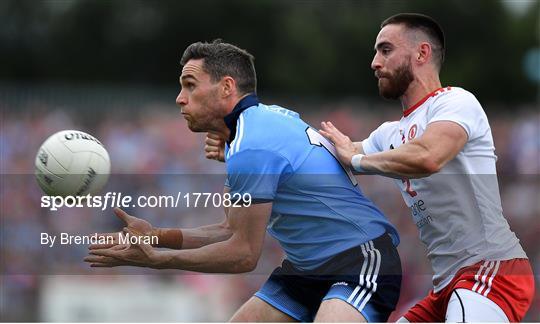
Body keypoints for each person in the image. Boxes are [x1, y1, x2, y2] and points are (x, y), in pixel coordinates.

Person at [84, 40, 402, 322]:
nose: (180, 98)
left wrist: (157, 260)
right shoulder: (253, 129)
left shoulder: (252, 143)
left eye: (190, 85)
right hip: (306, 271)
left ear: (226, 87)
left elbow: (242, 254)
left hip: (359, 261)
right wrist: (158, 236)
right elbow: (229, 229)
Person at [318, 13, 535, 322]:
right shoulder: (388, 134)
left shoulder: (456, 103)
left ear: (421, 53)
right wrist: (239, 140)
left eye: (386, 50)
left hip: (493, 271)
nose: (375, 62)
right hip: (447, 285)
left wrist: (357, 160)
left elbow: (429, 157)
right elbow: (334, 151)